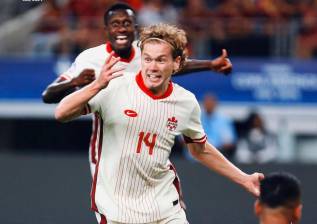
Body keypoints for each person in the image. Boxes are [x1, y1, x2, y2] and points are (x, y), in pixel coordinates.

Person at [55, 23, 263, 224]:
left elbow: (200, 150)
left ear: (177, 63)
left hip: (165, 207)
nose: (152, 67)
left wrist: (243, 178)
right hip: (116, 209)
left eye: (161, 60)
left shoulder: (185, 102)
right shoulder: (114, 86)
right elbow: (62, 113)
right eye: (147, 59)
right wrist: (96, 85)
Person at [42, 3, 233, 176]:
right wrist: (73, 81)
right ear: (106, 29)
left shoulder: (145, 52)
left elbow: (171, 66)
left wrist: (210, 64)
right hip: (112, 141)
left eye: (127, 23)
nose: (121, 28)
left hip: (145, 136)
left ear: (135, 27)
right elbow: (49, 96)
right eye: (115, 24)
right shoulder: (90, 58)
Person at [200, 93, 237, 160]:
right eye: (207, 102)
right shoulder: (196, 118)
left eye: (211, 102)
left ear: (215, 104)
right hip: (196, 156)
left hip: (217, 156)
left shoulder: (224, 120)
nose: (209, 105)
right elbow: (183, 140)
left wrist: (212, 150)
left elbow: (229, 142)